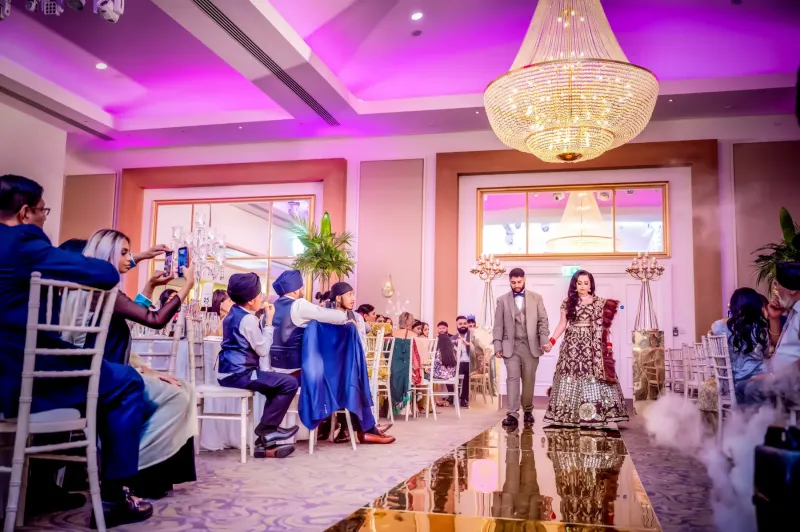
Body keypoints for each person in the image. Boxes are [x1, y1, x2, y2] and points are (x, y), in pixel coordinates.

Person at [0, 174, 152, 526]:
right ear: (25, 212)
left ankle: (43, 483)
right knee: (125, 381)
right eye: (42, 211)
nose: (43, 218)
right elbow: (103, 274)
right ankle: (116, 495)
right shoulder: (23, 242)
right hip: (14, 374)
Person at [62, 229, 197, 499]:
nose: (129, 258)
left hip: (110, 371)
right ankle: (130, 470)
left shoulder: (91, 289)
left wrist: (149, 284)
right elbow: (154, 319)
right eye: (123, 253)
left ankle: (152, 472)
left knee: (183, 388)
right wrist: (186, 288)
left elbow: (125, 314)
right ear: (105, 257)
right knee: (177, 396)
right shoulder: (102, 290)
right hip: (106, 378)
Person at [217, 273, 299, 457]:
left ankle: (264, 445)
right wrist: (269, 322)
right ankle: (267, 431)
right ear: (252, 300)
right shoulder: (248, 319)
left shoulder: (233, 315)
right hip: (241, 375)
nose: (262, 298)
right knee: (289, 383)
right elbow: (262, 349)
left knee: (275, 385)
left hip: (228, 373)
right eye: (260, 294)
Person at [543, 270, 629, 427]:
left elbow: (604, 328)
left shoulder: (599, 303)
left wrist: (608, 346)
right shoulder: (567, 302)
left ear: (591, 285)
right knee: (570, 375)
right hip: (572, 346)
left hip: (592, 346)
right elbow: (563, 324)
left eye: (586, 283)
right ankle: (569, 413)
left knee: (593, 375)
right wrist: (551, 342)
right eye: (579, 283)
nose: (582, 286)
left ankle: (595, 413)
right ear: (575, 285)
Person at [493, 268, 551, 427]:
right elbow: (498, 325)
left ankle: (528, 410)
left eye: (519, 282)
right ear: (509, 281)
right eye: (513, 282)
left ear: (524, 279)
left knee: (528, 380)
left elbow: (543, 321)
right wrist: (497, 345)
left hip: (531, 346)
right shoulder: (502, 300)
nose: (516, 285)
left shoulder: (536, 298)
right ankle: (512, 414)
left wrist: (544, 341)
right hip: (510, 347)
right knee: (512, 378)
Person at [269, 270, 350, 376]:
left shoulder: (271, 307)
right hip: (294, 368)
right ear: (295, 291)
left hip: (272, 366)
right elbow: (338, 317)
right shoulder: (299, 304)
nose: (304, 289)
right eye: (302, 287)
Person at [742, 262, 800, 406]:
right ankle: (746, 427)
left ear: (792, 290)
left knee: (752, 390)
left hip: (794, 382)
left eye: (777, 285)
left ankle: (766, 427)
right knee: (741, 387)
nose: (775, 291)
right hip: (784, 378)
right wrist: (774, 318)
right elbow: (778, 345)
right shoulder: (794, 310)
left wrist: (773, 377)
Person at [709, 288, 771, 403]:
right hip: (757, 379)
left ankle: (742, 418)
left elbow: (712, 330)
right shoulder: (760, 329)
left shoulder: (721, 327)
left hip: (732, 381)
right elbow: (766, 354)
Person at [450, 316, 474, 408]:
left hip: (470, 363)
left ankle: (464, 398)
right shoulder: (452, 338)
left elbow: (478, 351)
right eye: (460, 324)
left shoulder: (472, 337)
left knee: (468, 373)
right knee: (449, 372)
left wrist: (469, 345)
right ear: (456, 325)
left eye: (465, 323)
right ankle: (453, 396)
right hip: (458, 364)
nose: (463, 325)